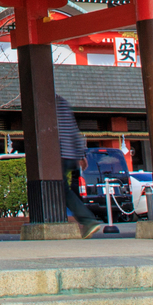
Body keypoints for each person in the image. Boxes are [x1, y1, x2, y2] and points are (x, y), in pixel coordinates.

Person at [57, 93, 102, 236]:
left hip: (57, 153)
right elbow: (73, 129)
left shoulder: (44, 102)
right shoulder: (61, 101)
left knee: (60, 189)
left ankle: (87, 220)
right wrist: (81, 155)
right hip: (70, 154)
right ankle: (85, 220)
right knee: (62, 188)